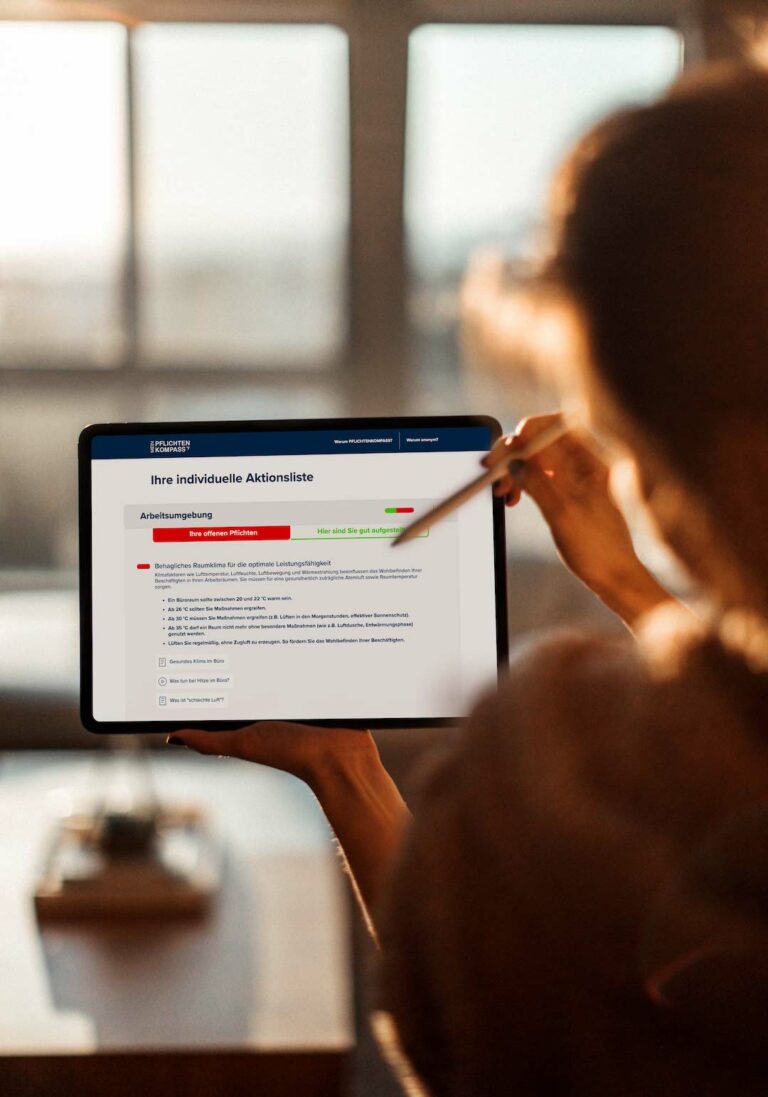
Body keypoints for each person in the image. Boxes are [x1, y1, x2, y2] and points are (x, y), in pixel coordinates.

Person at [166, 64, 768, 1094]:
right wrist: (632, 584)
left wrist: (349, 774)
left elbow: (486, 1051)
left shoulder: (557, 758)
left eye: (627, 438)